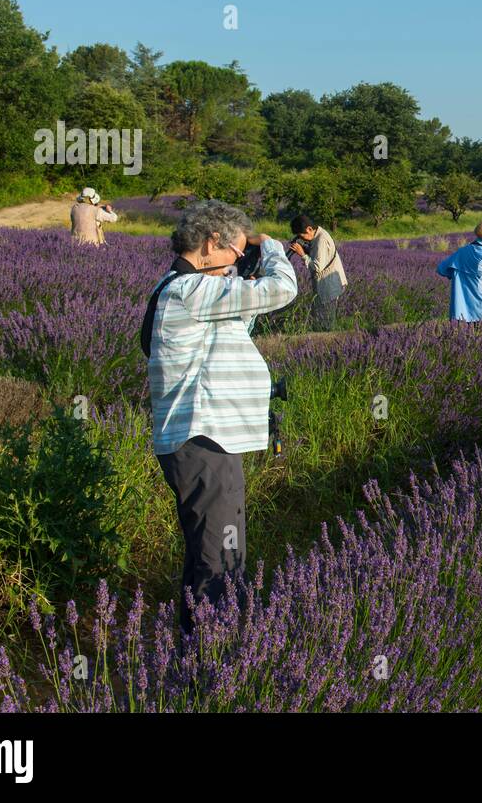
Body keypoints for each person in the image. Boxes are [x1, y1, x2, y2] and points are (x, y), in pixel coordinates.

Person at [144, 199, 298, 639]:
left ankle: (195, 648)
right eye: (234, 252)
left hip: (202, 444)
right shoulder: (188, 290)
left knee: (205, 553)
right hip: (204, 442)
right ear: (212, 243)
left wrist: (240, 274)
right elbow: (283, 290)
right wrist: (269, 248)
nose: (237, 262)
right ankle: (214, 655)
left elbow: (234, 326)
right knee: (220, 558)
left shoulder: (180, 288)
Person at [286, 214, 347, 330]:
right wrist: (306, 249)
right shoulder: (317, 236)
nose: (302, 238)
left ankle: (327, 341)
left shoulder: (321, 240)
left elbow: (317, 266)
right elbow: (319, 256)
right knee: (320, 318)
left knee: (326, 321)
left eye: (301, 235)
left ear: (309, 229)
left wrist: (302, 254)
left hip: (329, 287)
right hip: (324, 285)